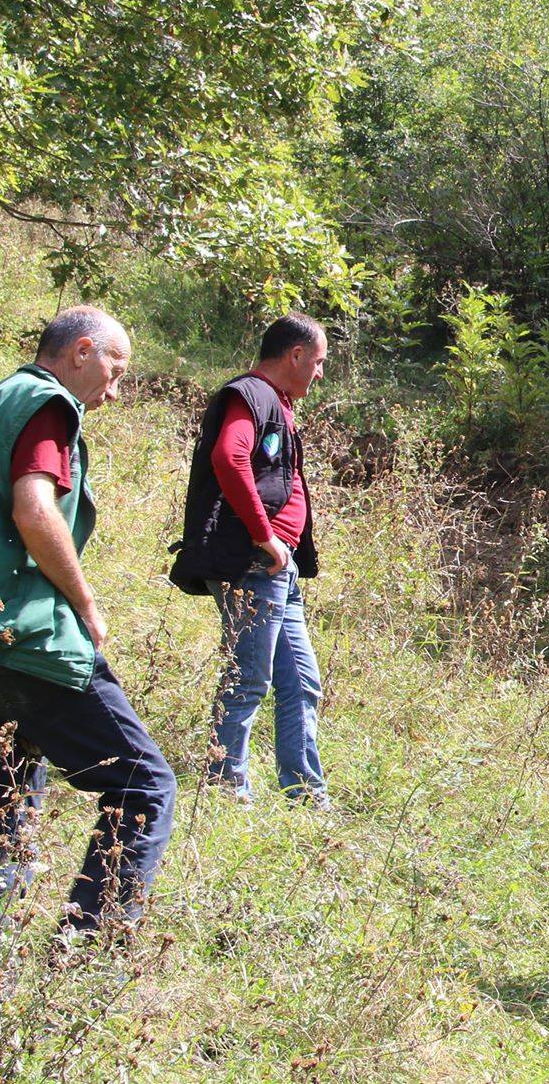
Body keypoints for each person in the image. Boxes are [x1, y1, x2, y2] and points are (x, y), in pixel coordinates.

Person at [0, 305, 177, 960]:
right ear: (81, 350)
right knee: (144, 784)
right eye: (115, 367)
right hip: (22, 640)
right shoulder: (47, 407)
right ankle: (75, 964)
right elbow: (32, 507)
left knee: (4, 812)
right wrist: (84, 602)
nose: (114, 388)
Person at [168, 312, 330, 807]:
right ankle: (224, 786)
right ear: (295, 355)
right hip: (254, 565)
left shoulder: (275, 403)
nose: (319, 374)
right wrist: (265, 536)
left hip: (279, 570)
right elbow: (229, 457)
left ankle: (305, 793)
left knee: (301, 683)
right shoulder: (251, 394)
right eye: (318, 362)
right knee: (248, 679)